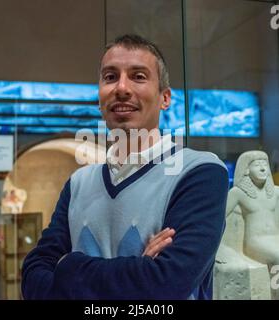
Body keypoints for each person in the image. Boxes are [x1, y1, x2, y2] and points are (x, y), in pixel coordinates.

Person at [21, 34, 229, 300]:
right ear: (99, 99)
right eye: (110, 77)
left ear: (165, 98)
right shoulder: (78, 183)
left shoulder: (200, 172)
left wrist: (67, 266)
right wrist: (139, 270)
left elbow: (168, 284)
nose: (121, 88)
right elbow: (33, 280)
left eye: (138, 76)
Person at [225, 151, 279, 277]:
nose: (262, 168)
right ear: (246, 170)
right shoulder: (238, 193)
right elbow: (219, 217)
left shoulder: (275, 192)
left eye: (265, 164)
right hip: (255, 242)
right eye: (257, 165)